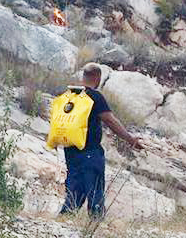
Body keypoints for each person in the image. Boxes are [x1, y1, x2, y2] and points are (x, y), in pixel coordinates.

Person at [57, 62, 143, 218]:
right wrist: (130, 140)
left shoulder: (69, 95)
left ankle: (64, 219)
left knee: (74, 187)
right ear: (97, 78)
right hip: (90, 152)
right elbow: (110, 120)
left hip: (70, 151)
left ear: (84, 76)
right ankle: (95, 224)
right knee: (95, 189)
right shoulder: (95, 97)